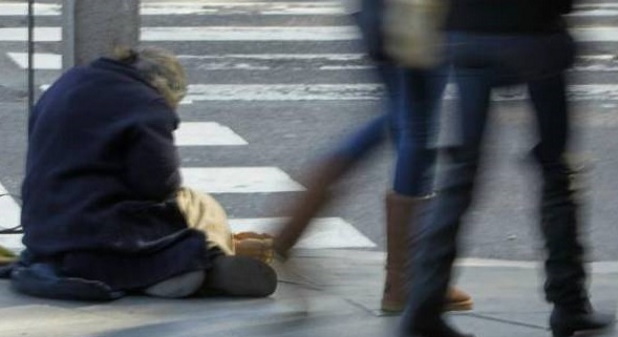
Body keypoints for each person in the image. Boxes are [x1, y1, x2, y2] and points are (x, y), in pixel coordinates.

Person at [400, 0, 613, 337]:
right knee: (554, 168)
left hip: (467, 34)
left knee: (460, 173)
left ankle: (425, 300)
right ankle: (569, 301)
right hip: (535, 36)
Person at [11, 47, 277, 301]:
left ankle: (181, 267)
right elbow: (160, 185)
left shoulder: (67, 82)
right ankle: (201, 260)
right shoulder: (147, 103)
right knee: (197, 203)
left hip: (43, 234)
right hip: (104, 236)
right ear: (165, 88)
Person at [271, 0, 473, 313]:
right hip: (417, 15)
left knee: (400, 117)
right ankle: (404, 282)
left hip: (378, 12)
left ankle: (288, 234)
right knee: (415, 127)